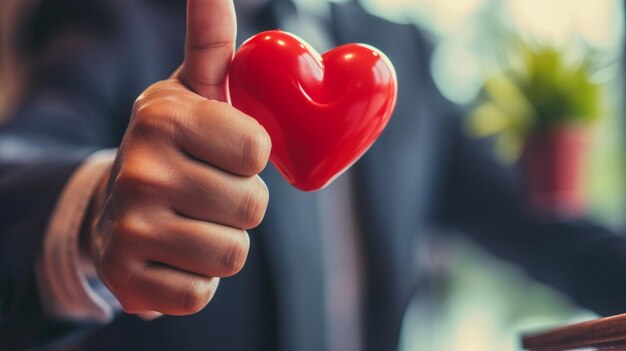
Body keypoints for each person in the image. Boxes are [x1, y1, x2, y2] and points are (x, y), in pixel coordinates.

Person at [2, 0, 626, 350]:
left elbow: (544, 229)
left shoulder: (401, 53)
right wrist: (93, 211)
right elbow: (19, 159)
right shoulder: (123, 21)